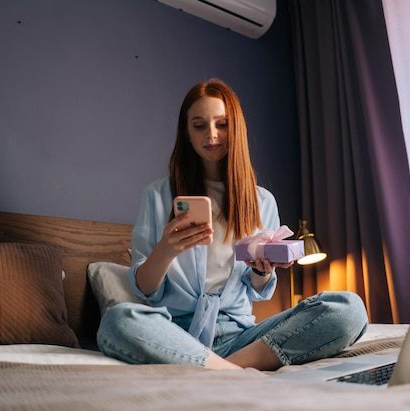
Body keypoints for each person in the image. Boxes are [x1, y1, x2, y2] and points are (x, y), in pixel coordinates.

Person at [97, 79, 368, 370]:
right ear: (187, 133)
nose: (211, 135)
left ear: (235, 128)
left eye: (222, 124)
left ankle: (222, 369)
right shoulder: (157, 195)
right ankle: (228, 371)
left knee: (349, 309)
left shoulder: (261, 201)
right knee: (118, 320)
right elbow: (144, 290)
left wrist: (262, 270)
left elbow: (256, 290)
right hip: (173, 334)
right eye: (199, 125)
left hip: (240, 337)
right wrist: (166, 250)